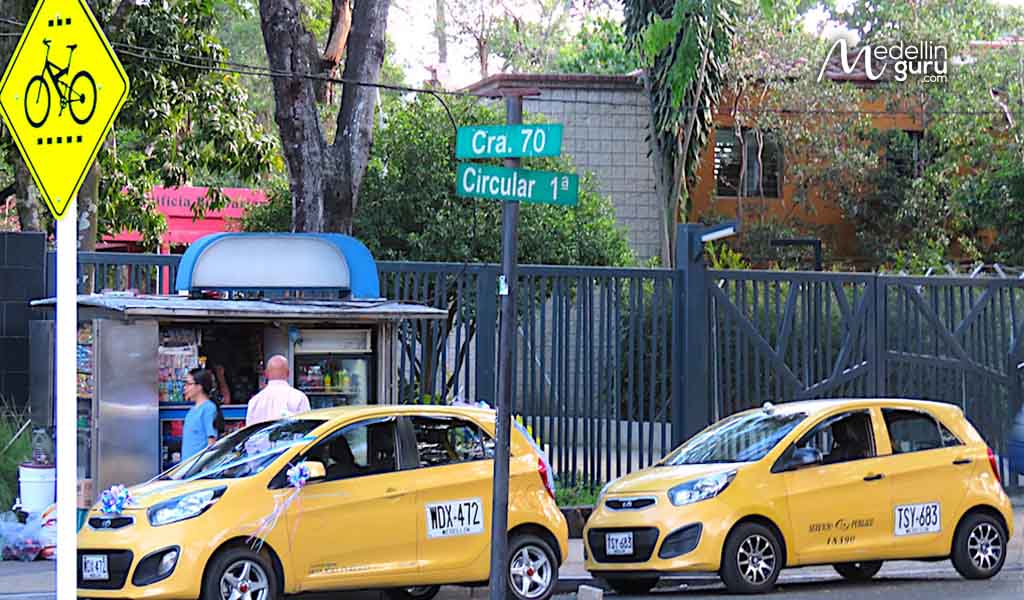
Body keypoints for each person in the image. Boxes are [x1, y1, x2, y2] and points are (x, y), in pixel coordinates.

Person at [245, 355, 312, 426]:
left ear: (266, 374)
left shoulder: (255, 401)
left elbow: (248, 429)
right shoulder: (299, 397)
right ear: (288, 373)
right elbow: (306, 426)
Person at [182, 368, 219, 460]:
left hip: (198, 468)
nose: (185, 387)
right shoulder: (192, 410)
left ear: (199, 386)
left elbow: (211, 441)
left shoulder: (208, 408)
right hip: (187, 466)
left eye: (189, 384)